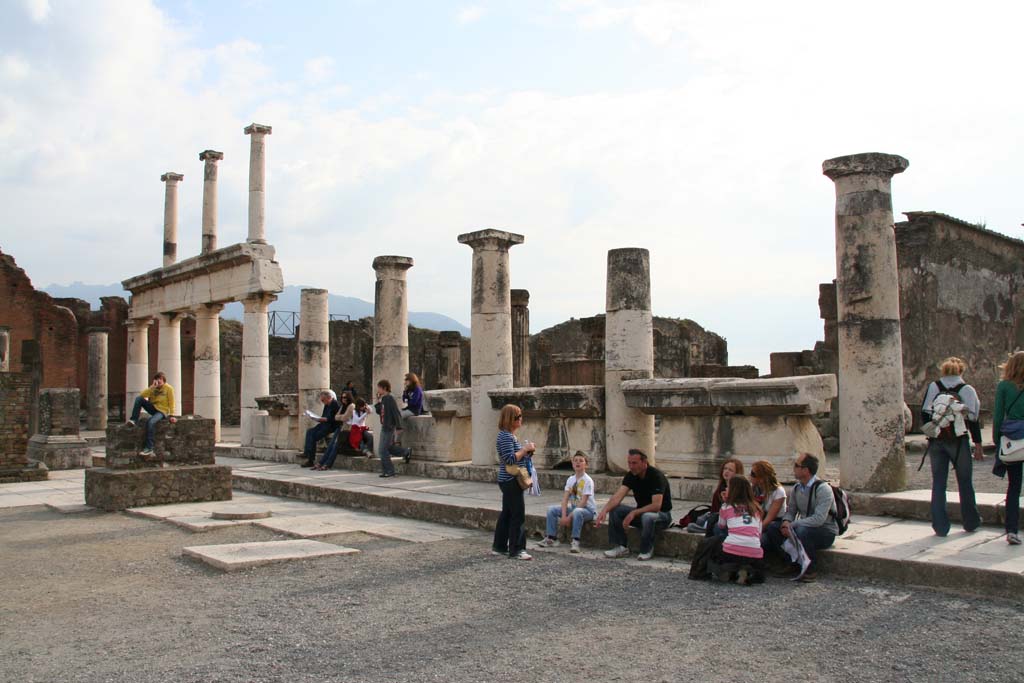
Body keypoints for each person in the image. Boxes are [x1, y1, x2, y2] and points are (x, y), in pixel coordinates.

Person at [920, 356, 984, 536]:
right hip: (959, 440)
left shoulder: (934, 387)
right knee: (965, 481)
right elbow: (973, 419)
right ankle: (971, 522)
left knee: (939, 482)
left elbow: (925, 413)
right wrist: (977, 443)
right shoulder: (967, 389)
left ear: (943, 371)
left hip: (937, 440)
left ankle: (940, 526)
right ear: (961, 371)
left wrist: (932, 433)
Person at [764, 453, 837, 582]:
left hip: (824, 531)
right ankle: (791, 562)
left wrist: (793, 525)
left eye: (796, 465)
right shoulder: (797, 488)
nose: (794, 468)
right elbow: (791, 511)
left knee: (802, 530)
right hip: (802, 527)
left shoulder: (823, 489)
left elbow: (819, 519)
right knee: (773, 528)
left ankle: (810, 568)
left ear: (806, 470)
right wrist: (786, 522)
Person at [595, 449, 673, 561]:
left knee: (648, 516)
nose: (631, 466)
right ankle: (621, 547)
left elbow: (656, 506)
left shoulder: (656, 476)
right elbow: (617, 497)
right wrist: (604, 511)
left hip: (662, 516)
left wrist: (634, 512)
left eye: (634, 463)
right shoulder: (631, 475)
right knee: (615, 510)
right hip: (642, 513)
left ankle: (646, 550)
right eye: (629, 463)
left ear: (644, 462)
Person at [691, 475, 765, 585]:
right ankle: (742, 571)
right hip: (754, 553)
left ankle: (720, 570)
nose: (725, 489)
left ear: (734, 490)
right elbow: (759, 534)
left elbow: (721, 526)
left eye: (728, 487)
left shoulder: (727, 507)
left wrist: (725, 503)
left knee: (712, 542)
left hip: (730, 551)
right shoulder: (756, 509)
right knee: (739, 546)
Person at [492, 404, 536, 560]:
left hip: (508, 479)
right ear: (511, 419)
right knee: (517, 514)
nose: (521, 419)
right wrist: (524, 450)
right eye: (518, 417)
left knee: (507, 513)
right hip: (510, 480)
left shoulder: (509, 436)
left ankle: (499, 546)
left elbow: (515, 457)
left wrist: (526, 453)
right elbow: (509, 459)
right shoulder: (505, 436)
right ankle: (517, 549)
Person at [537, 452, 597, 553]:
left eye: (581, 461)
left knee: (578, 511)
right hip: (574, 508)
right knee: (552, 510)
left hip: (587, 510)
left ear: (586, 464)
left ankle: (575, 541)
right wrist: (564, 516)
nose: (578, 463)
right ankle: (551, 538)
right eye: (575, 460)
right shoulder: (571, 479)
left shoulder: (588, 480)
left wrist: (569, 518)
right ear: (572, 463)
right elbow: (565, 499)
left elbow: (583, 502)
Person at [993, 351, 1024, 546]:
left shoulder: (1004, 386)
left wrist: (998, 441)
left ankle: (1012, 530)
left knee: (1014, 486)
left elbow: (997, 416)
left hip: (1012, 439)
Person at [687, 457, 742, 536]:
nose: (726, 471)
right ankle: (706, 527)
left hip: (730, 521)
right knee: (700, 520)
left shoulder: (740, 489)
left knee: (714, 526)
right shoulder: (720, 489)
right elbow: (714, 510)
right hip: (717, 517)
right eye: (725, 468)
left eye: (730, 470)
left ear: (737, 473)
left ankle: (707, 529)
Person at [127, 371, 177, 456]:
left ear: (164, 380)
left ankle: (149, 448)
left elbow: (172, 402)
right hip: (153, 408)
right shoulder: (153, 388)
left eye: (160, 379)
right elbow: (142, 395)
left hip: (162, 411)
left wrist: (172, 415)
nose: (159, 381)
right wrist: (152, 387)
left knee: (150, 422)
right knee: (139, 399)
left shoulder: (169, 388)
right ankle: (133, 419)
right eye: (157, 379)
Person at [375, 379, 412, 478]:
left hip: (389, 427)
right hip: (384, 426)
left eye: (379, 388)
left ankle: (390, 471)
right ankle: (405, 452)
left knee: (382, 450)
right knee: (387, 448)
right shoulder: (383, 399)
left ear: (384, 388)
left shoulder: (390, 398)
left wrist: (398, 426)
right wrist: (378, 401)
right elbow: (379, 411)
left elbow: (395, 412)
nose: (378, 390)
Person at [314, 391, 354, 470]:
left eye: (345, 397)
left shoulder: (351, 406)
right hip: (340, 428)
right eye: (342, 397)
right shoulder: (343, 406)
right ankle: (321, 463)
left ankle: (328, 464)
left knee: (335, 446)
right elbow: (336, 417)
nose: (343, 399)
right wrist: (340, 417)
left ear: (349, 397)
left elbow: (345, 417)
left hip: (346, 430)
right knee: (330, 446)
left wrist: (340, 417)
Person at [301, 390, 341, 468]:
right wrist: (316, 418)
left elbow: (331, 419)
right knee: (309, 431)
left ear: (329, 397)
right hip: (324, 424)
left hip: (331, 426)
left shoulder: (335, 405)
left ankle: (310, 459)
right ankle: (306, 452)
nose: (322, 402)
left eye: (323, 400)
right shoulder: (327, 404)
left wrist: (318, 419)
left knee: (313, 437)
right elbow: (323, 416)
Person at [750, 460, 786, 543]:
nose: (750, 476)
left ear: (762, 478)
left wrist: (753, 533)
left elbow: (769, 519)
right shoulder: (753, 489)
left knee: (760, 541)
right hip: (757, 520)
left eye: (753, 474)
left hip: (772, 523)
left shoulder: (778, 492)